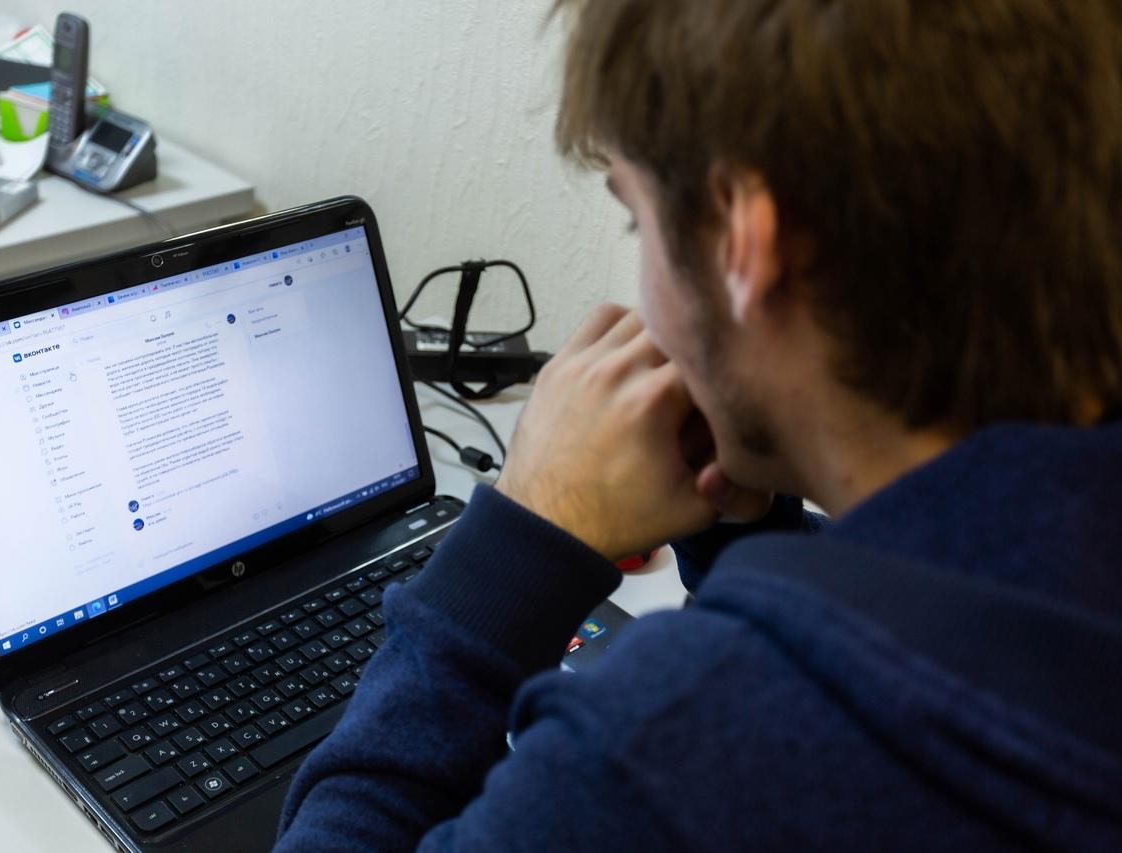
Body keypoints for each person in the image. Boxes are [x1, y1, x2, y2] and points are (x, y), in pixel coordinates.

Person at [276, 0, 1122, 848]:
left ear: (746, 244)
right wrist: (747, 530)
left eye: (637, 221)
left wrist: (523, 535)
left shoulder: (662, 754)